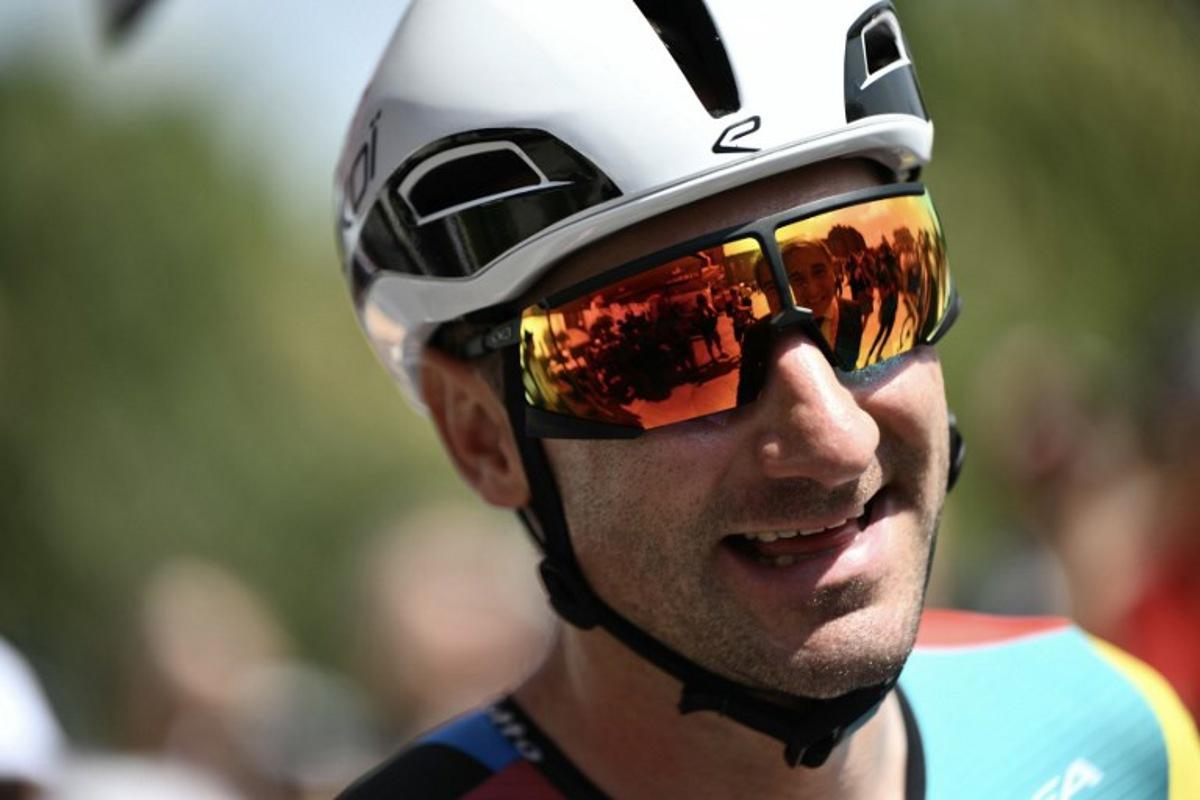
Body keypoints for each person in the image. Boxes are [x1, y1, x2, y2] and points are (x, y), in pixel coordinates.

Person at [333, 1, 1199, 797]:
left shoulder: (1117, 728)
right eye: (670, 343)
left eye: (871, 279)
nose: (835, 434)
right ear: (482, 436)